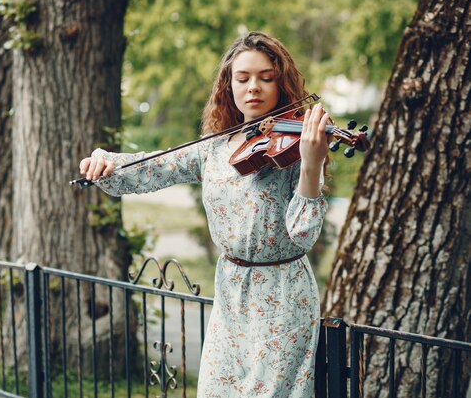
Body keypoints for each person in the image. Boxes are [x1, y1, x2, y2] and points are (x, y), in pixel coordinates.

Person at [79, 31, 329, 397]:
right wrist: (106, 162)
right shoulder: (213, 149)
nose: (253, 88)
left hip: (284, 295)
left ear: (281, 84)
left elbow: (304, 234)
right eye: (242, 79)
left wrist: (311, 165)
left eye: (266, 77)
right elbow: (154, 168)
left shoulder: (297, 148)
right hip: (230, 291)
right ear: (228, 86)